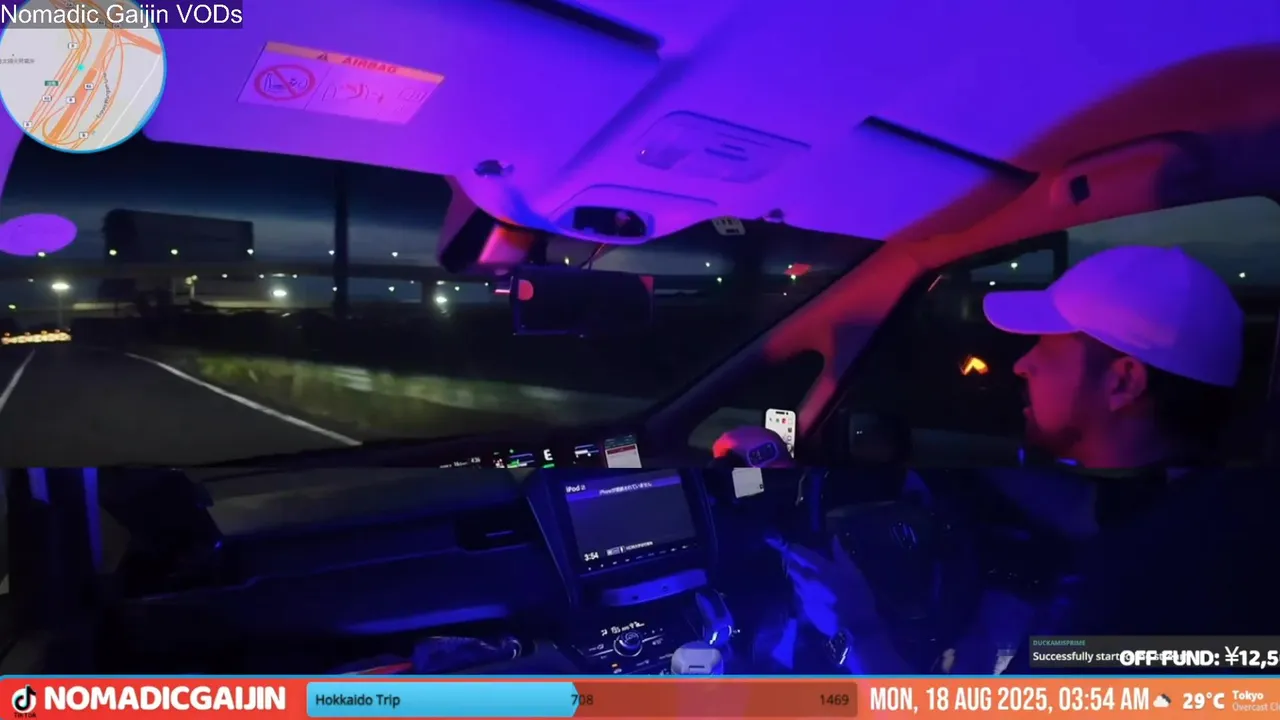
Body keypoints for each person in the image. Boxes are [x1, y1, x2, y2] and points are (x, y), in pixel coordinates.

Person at [767, 245, 1275, 673]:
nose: (1022, 364)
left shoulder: (1127, 588)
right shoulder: (1201, 508)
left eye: (1047, 348)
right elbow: (1084, 509)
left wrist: (858, 625)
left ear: (1123, 382)